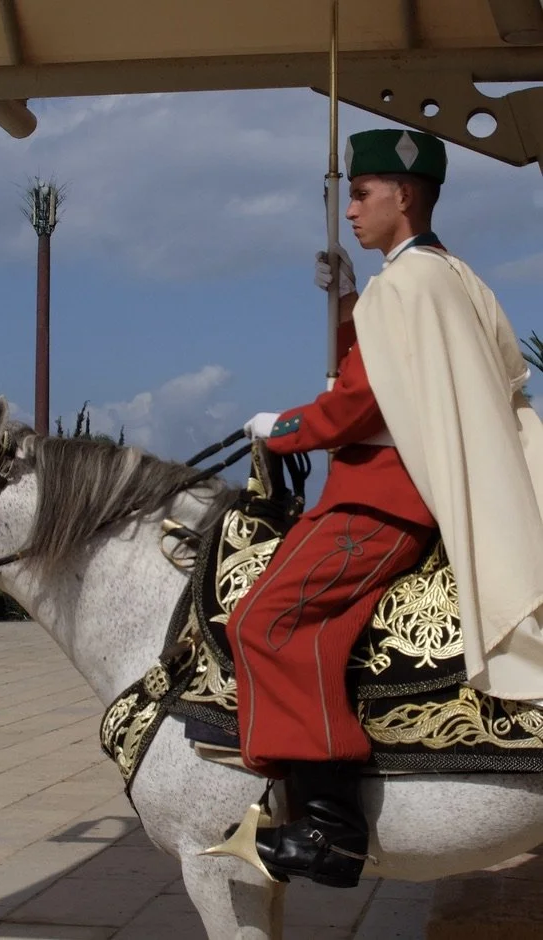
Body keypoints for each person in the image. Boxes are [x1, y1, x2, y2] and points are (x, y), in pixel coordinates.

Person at [226, 128, 543, 889]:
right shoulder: (451, 277)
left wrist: (283, 429)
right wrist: (345, 301)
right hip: (409, 485)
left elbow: (362, 403)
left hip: (381, 495)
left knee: (266, 622)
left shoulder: (408, 285)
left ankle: (332, 827)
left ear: (403, 195)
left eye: (362, 195)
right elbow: (401, 373)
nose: (353, 213)